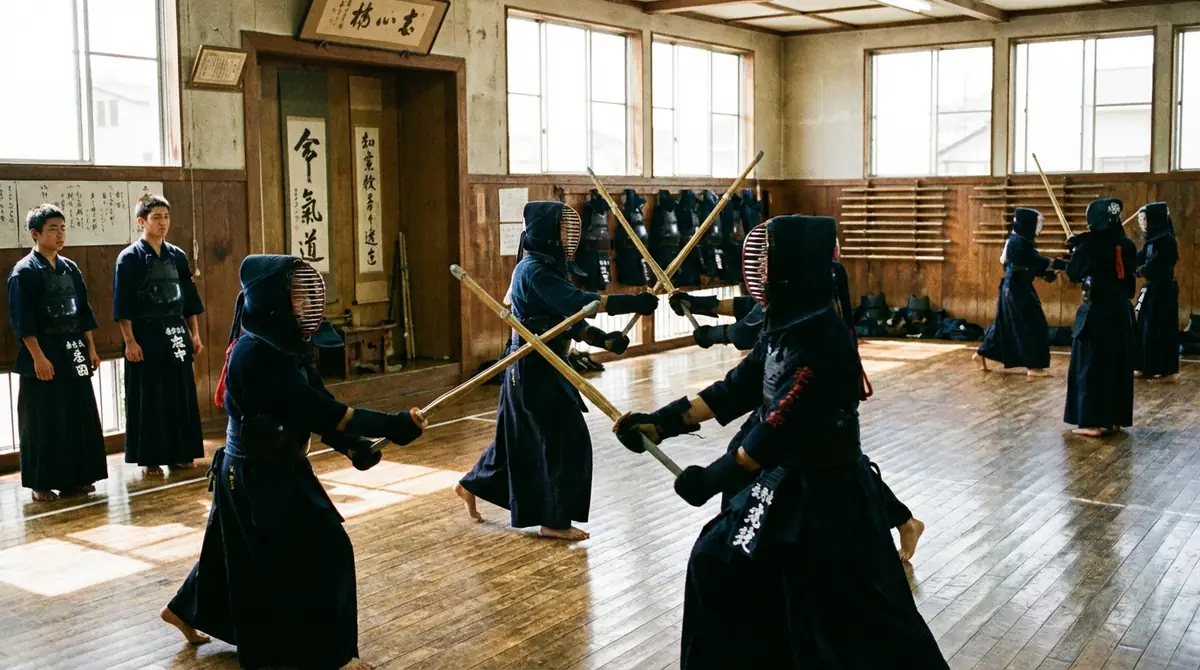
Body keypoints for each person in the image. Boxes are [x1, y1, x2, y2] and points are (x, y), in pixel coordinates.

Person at [616, 216, 947, 667]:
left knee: (860, 622)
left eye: (768, 262)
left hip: (827, 502)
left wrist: (712, 479)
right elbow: (735, 388)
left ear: (793, 267)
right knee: (727, 571)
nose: (761, 272)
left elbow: (775, 429)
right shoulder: (785, 325)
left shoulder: (821, 337)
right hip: (787, 484)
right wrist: (660, 423)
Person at [161, 254, 427, 670]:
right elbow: (317, 409)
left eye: (308, 297)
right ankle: (332, 656)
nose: (307, 305)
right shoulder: (254, 352)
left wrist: (351, 445)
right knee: (324, 551)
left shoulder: (290, 345)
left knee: (231, 552)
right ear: (273, 300)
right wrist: (392, 425)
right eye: (298, 297)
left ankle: (183, 609)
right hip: (253, 473)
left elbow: (319, 405)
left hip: (276, 465)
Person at [669, 246, 926, 563]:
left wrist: (709, 333)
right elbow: (747, 311)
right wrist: (699, 304)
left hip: (801, 428)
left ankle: (903, 521)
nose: (763, 273)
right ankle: (904, 520)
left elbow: (743, 331)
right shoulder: (790, 305)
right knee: (848, 475)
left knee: (840, 478)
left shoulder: (809, 324)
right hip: (784, 415)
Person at [454, 201, 659, 541]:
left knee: (516, 441)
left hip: (545, 361)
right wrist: (631, 302)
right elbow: (579, 304)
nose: (568, 236)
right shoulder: (532, 269)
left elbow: (563, 322)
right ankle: (553, 520)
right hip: (530, 368)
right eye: (561, 229)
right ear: (545, 232)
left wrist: (601, 339)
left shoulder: (551, 266)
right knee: (564, 440)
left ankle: (469, 485)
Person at [6, 205, 108, 502]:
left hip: (72, 348)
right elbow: (22, 320)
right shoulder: (23, 273)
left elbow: (84, 313)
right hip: (43, 351)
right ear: (35, 234)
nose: (60, 234)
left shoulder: (70, 268)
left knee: (77, 413)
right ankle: (41, 483)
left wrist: (90, 348)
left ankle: (77, 478)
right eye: (53, 229)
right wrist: (38, 357)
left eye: (62, 228)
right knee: (44, 418)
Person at [114, 194, 205, 476]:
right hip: (145, 332)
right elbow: (123, 305)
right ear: (142, 221)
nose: (163, 222)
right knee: (149, 396)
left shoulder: (177, 255)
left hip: (175, 331)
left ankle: (180, 453)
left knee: (179, 393)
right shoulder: (129, 258)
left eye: (166, 217)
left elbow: (189, 299)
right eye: (156, 217)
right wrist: (130, 341)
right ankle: (150, 457)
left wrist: (195, 334)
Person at [1064, 199, 1138, 438]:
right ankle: (1115, 418)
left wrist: (1074, 250)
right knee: (1117, 362)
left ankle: (1092, 422)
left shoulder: (1088, 246)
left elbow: (1073, 273)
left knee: (1090, 365)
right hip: (1121, 313)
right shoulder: (1127, 245)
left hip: (1096, 314)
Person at [974, 208, 1066, 376]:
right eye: (1036, 224)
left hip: (1017, 287)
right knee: (1031, 324)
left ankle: (981, 354)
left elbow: (1029, 264)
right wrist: (1060, 264)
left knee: (1004, 325)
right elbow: (1033, 261)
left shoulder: (1021, 241)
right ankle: (1033, 367)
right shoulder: (1016, 242)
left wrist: (1045, 273)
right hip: (1015, 289)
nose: (1038, 228)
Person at [1133, 202, 1179, 383]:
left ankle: (1166, 371)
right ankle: (1147, 366)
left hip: (1164, 291)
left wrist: (1139, 271)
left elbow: (1156, 266)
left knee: (1161, 329)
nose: (1142, 223)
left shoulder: (1168, 240)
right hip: (1152, 289)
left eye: (1145, 219)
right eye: (1141, 219)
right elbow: (1138, 258)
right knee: (1146, 327)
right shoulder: (1152, 241)